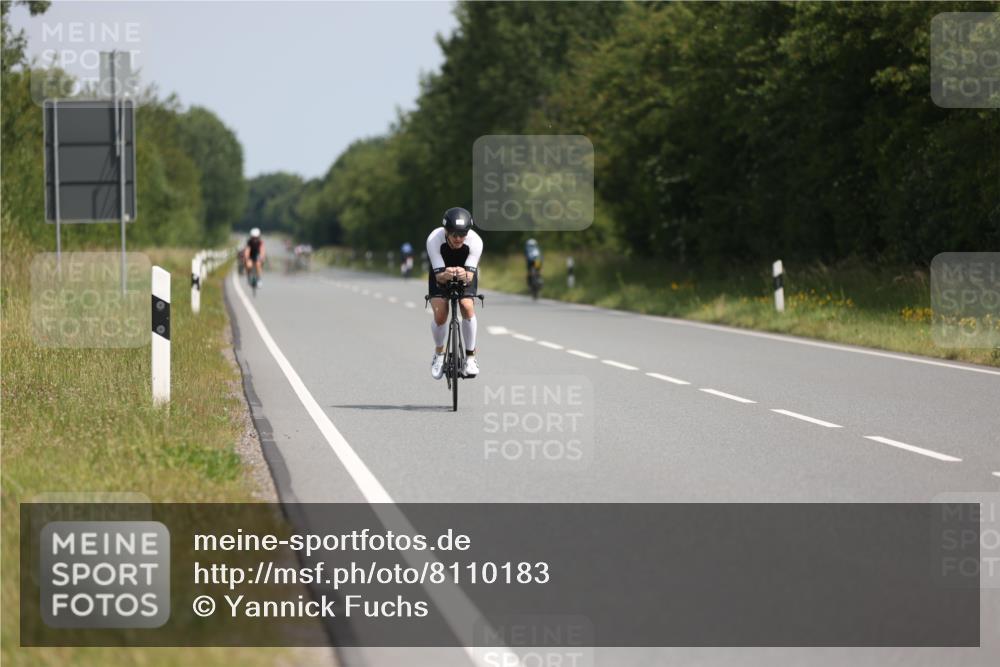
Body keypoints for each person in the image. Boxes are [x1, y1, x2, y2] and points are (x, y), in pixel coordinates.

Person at [426, 207, 483, 379]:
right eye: (454, 235)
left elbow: (470, 275)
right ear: (446, 231)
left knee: (466, 306)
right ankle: (439, 354)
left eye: (462, 234)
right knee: (441, 313)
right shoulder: (434, 239)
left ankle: (471, 357)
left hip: (465, 272)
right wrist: (446, 274)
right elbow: (439, 276)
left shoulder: (475, 241)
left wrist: (464, 274)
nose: (458, 239)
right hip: (441, 272)